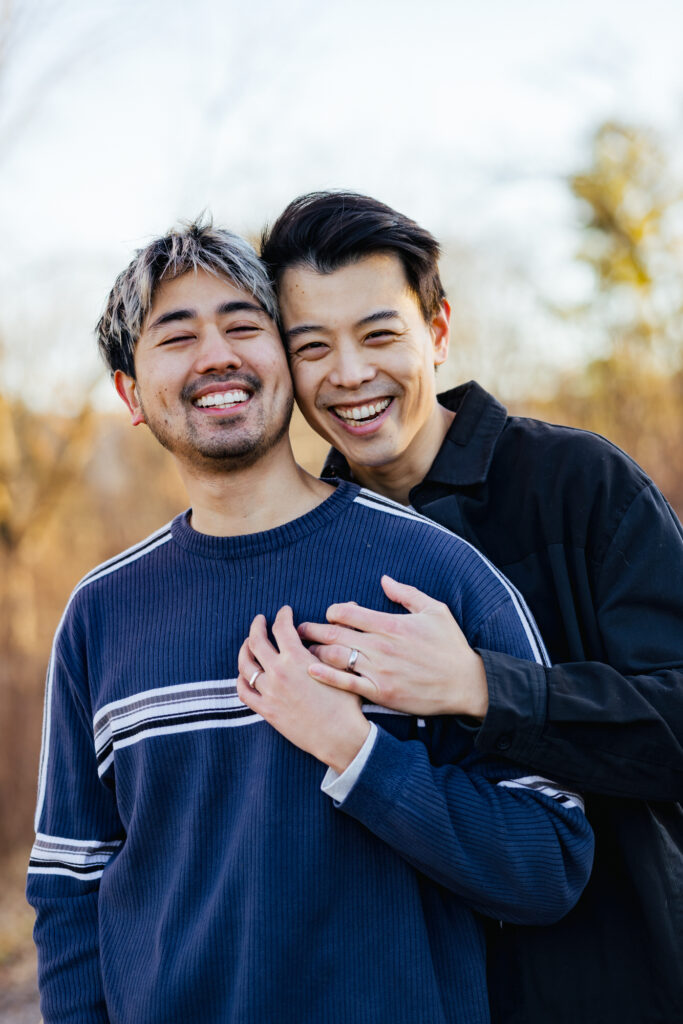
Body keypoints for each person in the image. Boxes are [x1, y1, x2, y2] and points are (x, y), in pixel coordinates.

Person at [27, 220, 592, 1024]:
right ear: (131, 395)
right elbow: (70, 888)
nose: (215, 356)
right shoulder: (100, 613)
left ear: (286, 362)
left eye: (243, 326)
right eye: (177, 336)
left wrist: (359, 754)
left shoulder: (432, 570)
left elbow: (550, 862)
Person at [259, 191, 683, 1024]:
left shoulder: (577, 485)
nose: (349, 374)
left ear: (437, 331)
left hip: (613, 986)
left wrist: (485, 688)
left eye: (379, 334)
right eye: (312, 347)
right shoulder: (298, 547)